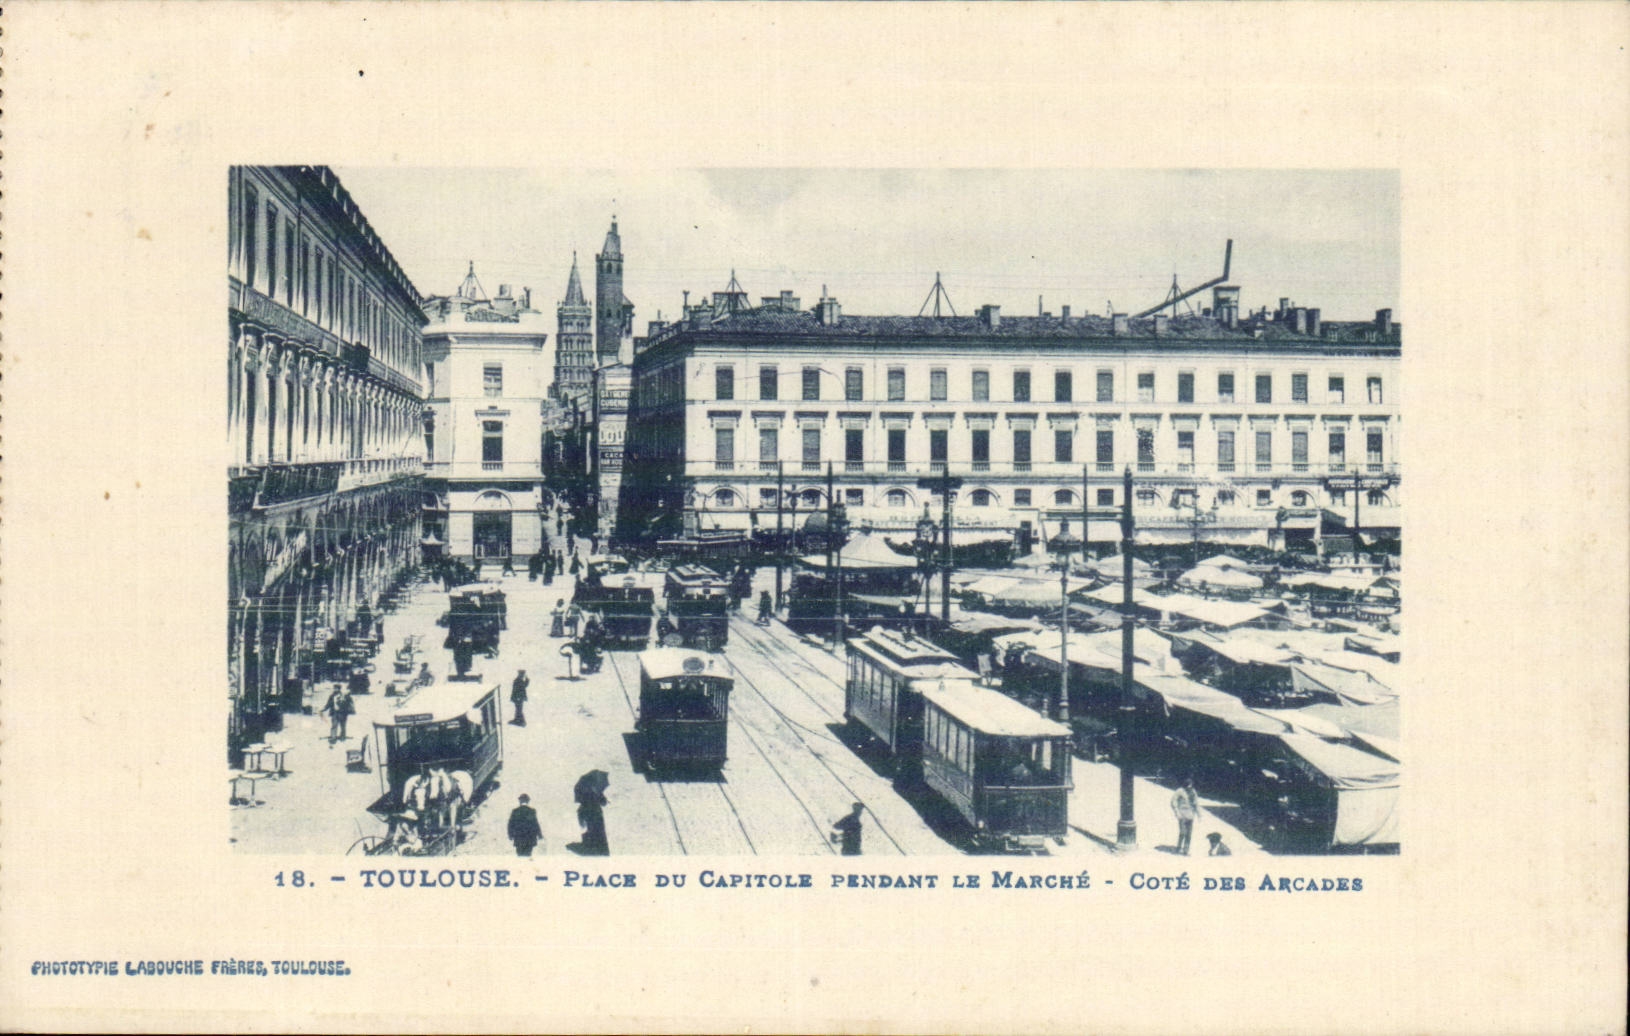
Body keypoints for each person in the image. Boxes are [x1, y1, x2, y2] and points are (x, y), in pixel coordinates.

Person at [577, 786, 609, 855]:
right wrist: (605, 800)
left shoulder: (582, 792)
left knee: (591, 832)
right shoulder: (597, 791)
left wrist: (581, 820)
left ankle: (592, 847)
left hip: (588, 815)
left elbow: (580, 808)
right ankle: (600, 849)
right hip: (597, 814)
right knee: (599, 833)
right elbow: (603, 803)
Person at [1172, 778, 1200, 855]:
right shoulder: (1179, 791)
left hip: (1190, 816)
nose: (1189, 787)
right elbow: (1173, 801)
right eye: (1188, 785)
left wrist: (1199, 814)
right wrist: (1177, 812)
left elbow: (1196, 803)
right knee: (1183, 832)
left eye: (1190, 786)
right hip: (1182, 815)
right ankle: (1178, 848)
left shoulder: (1193, 792)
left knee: (1189, 834)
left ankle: (1186, 850)